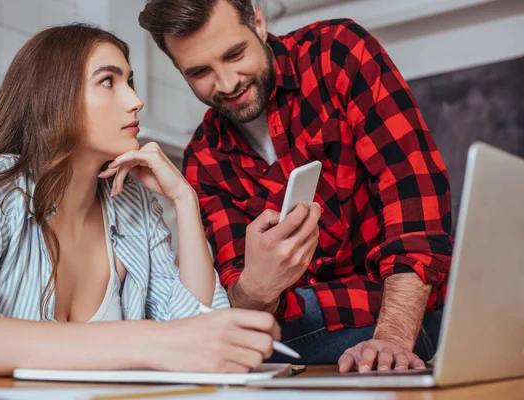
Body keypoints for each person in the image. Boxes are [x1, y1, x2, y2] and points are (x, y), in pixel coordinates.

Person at [0, 23, 280, 377]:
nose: (135, 101)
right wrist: (153, 342)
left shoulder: (132, 202)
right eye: (108, 82)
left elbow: (202, 329)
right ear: (55, 96)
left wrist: (184, 199)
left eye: (130, 82)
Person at [139, 0, 452, 373]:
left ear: (257, 22)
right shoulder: (203, 160)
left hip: (404, 310)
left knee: (193, 350)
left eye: (235, 54)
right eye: (199, 72)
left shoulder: (338, 52)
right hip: (305, 324)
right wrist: (255, 289)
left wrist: (395, 337)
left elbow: (413, 188)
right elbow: (241, 307)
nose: (227, 84)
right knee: (205, 341)